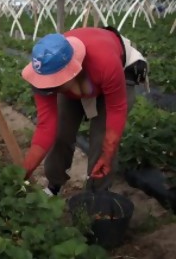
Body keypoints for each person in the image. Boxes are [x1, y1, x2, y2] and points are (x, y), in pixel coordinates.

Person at [20, 27, 148, 196]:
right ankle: (54, 185)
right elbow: (46, 126)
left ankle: (97, 195)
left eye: (53, 83)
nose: (49, 89)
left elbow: (116, 110)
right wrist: (23, 172)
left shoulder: (104, 62)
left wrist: (107, 156)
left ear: (70, 72)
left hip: (119, 72)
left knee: (101, 140)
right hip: (80, 79)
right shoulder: (45, 71)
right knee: (61, 133)